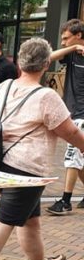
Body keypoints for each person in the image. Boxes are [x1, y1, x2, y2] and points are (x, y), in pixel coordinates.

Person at [0, 38, 84, 260]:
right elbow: (70, 132)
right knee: (5, 221)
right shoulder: (46, 96)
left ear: (19, 62)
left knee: (30, 219)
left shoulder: (4, 87)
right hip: (27, 170)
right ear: (46, 64)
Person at [45, 19, 84, 215]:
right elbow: (48, 58)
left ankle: (66, 201)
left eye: (66, 38)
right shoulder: (72, 54)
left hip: (83, 114)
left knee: (72, 156)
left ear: (79, 35)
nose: (63, 42)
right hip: (72, 112)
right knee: (79, 158)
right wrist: (73, 47)